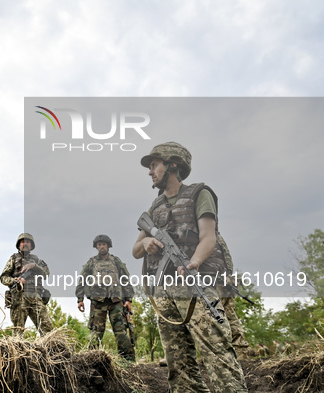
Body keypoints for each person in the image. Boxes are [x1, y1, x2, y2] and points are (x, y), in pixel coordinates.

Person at [132, 142, 248, 393]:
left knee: (217, 352)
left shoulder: (199, 193)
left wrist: (193, 262)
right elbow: (135, 250)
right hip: (165, 292)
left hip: (197, 284)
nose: (150, 171)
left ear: (173, 164)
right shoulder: (155, 206)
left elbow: (209, 237)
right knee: (178, 362)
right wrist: (149, 241)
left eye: (154, 165)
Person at [75, 234, 136, 361]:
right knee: (96, 332)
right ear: (96, 247)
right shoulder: (91, 262)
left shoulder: (116, 261)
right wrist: (80, 299)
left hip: (116, 301)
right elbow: (82, 280)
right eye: (99, 245)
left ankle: (128, 361)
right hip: (98, 302)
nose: (101, 247)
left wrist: (129, 299)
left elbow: (125, 280)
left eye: (104, 244)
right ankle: (91, 360)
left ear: (108, 246)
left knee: (121, 332)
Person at [0, 233, 53, 336]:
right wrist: (14, 281)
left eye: (28, 242)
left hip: (35, 296)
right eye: (23, 241)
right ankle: (17, 351)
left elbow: (46, 274)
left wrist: (34, 267)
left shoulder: (37, 261)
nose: (25, 244)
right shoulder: (13, 259)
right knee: (17, 332)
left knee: (47, 329)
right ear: (19, 244)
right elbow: (3, 277)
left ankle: (50, 351)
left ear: (32, 245)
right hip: (19, 297)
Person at [216, 233, 251, 359]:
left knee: (228, 317)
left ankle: (241, 352)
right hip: (209, 282)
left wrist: (227, 274)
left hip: (221, 283)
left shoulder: (212, 233)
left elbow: (225, 254)